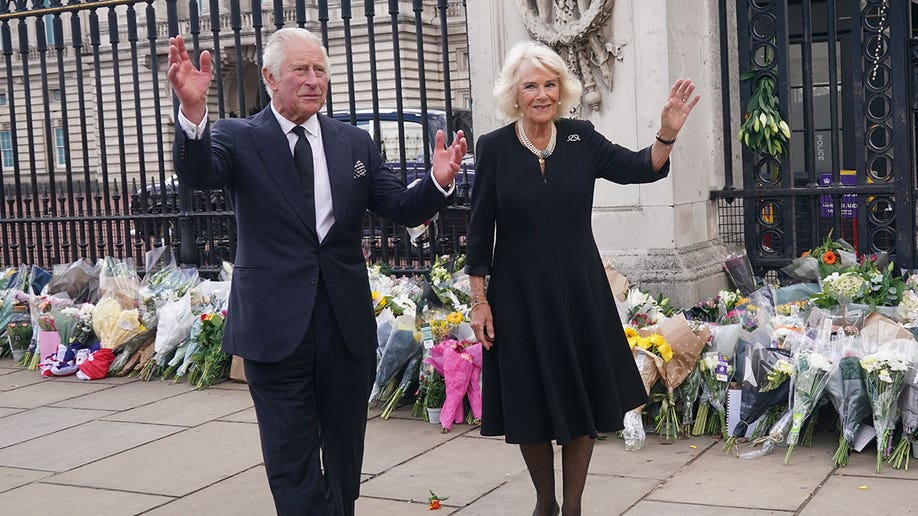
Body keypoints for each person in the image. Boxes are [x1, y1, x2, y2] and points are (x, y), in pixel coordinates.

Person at [167, 28, 466, 516]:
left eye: (320, 69)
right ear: (269, 77)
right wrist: (194, 115)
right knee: (291, 461)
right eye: (300, 70)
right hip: (274, 328)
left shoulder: (353, 143)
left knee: (346, 458)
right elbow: (199, 173)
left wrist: (437, 180)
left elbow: (401, 206)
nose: (313, 80)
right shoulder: (238, 137)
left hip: (343, 327)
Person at [465, 41, 698, 516]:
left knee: (580, 399)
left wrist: (667, 134)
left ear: (562, 90)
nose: (542, 94)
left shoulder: (580, 138)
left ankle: (571, 508)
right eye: (531, 85)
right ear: (515, 92)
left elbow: (638, 167)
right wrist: (479, 300)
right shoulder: (494, 148)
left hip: (578, 291)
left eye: (550, 84)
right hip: (518, 295)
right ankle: (545, 503)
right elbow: (478, 228)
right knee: (530, 400)